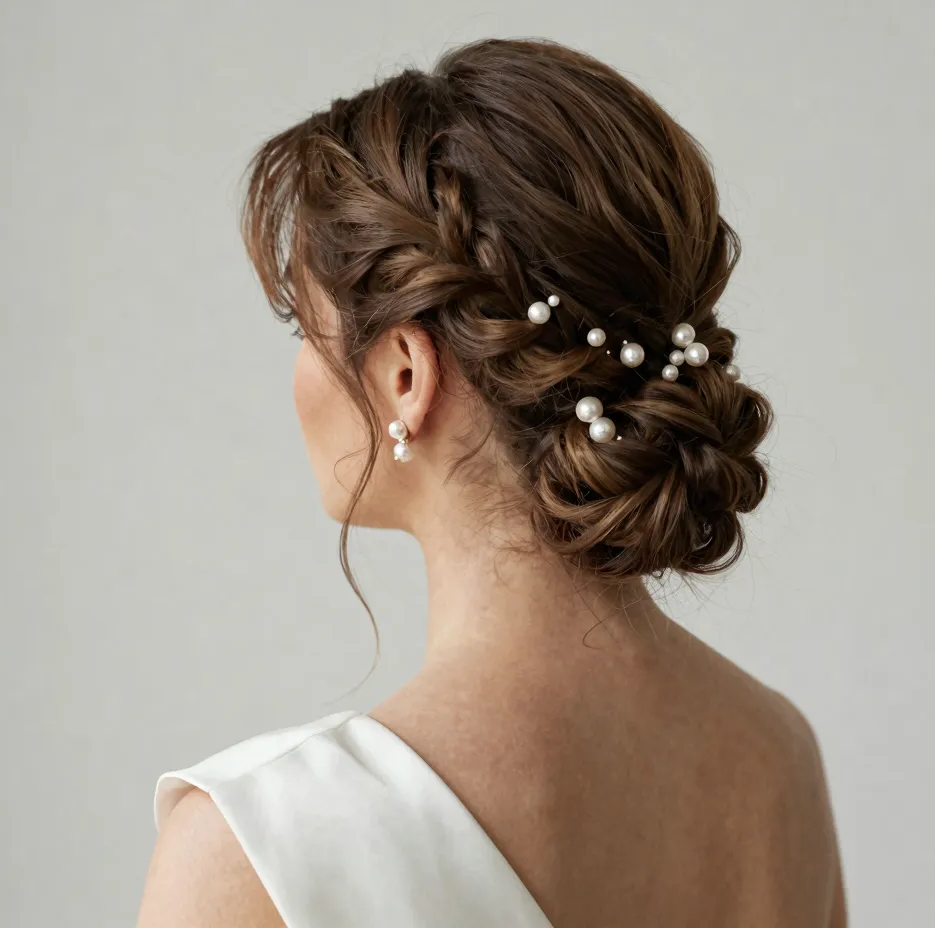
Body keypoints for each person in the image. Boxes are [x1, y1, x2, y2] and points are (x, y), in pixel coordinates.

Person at [136, 37, 845, 928]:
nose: (297, 381)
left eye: (303, 331)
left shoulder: (257, 850)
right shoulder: (774, 761)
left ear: (404, 372)